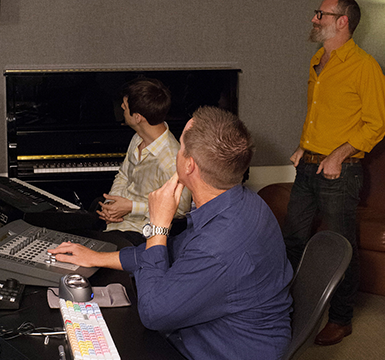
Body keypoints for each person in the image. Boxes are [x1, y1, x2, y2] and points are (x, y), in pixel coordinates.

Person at [50, 106, 293, 360]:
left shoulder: (219, 245)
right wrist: (96, 258)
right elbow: (176, 250)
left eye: (181, 145)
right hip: (213, 329)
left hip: (223, 349)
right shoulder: (238, 201)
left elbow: (153, 314)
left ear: (188, 165)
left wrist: (158, 226)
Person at [283, 0, 385, 346]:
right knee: (294, 240)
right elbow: (320, 117)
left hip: (340, 174)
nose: (314, 19)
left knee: (342, 247)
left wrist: (339, 155)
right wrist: (303, 145)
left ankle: (341, 319)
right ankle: (289, 309)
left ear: (342, 21)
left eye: (321, 14)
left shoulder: (364, 66)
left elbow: (376, 125)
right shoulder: (317, 59)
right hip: (308, 168)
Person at [96, 77, 191, 246]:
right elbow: (124, 174)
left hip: (141, 234)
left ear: (138, 117)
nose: (121, 109)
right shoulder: (138, 137)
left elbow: (182, 208)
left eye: (124, 107)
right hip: (119, 223)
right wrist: (112, 205)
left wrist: (131, 207)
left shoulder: (171, 158)